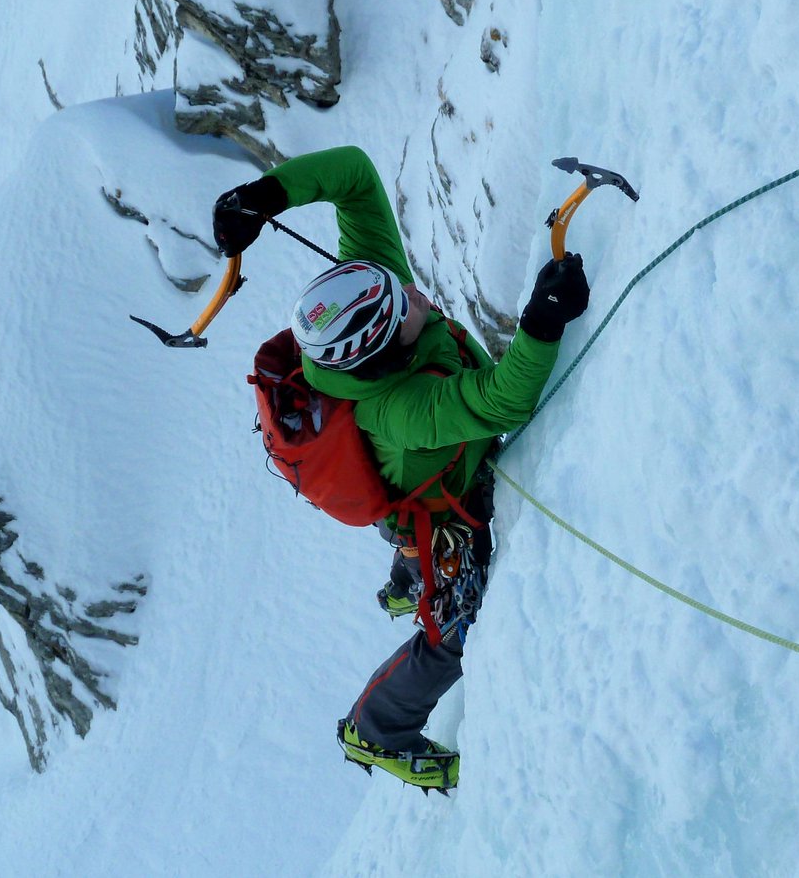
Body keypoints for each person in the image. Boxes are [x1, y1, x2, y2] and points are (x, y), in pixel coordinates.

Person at [212, 145, 588, 792]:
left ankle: (406, 576)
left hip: (414, 481)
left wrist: (266, 197)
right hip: (443, 507)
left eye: (396, 286)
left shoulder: (375, 300)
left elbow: (355, 175)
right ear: (381, 358)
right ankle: (377, 728)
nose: (414, 291)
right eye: (404, 308)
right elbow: (501, 401)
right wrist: (542, 322)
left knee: (411, 528)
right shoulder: (399, 410)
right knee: (457, 631)